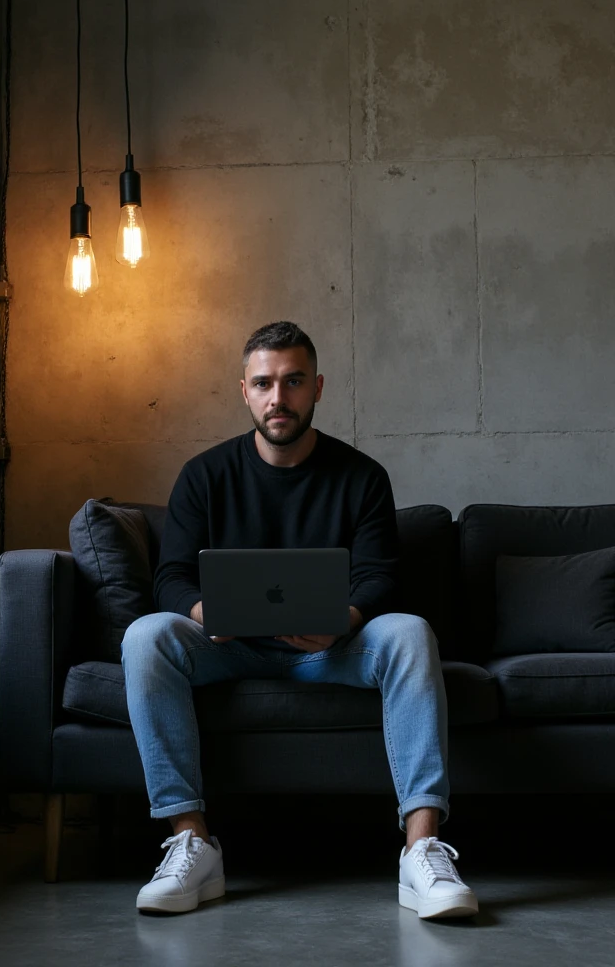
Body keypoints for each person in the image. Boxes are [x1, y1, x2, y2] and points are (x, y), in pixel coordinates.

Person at [121, 321, 478, 920]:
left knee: (411, 631)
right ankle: (191, 840)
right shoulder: (204, 476)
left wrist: (347, 615)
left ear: (318, 387)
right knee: (146, 635)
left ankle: (421, 850)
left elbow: (379, 575)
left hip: (332, 648)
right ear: (244, 390)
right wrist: (205, 611)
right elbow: (171, 578)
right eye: (263, 383)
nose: (277, 398)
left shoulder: (363, 477)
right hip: (229, 646)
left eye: (292, 382)